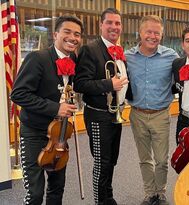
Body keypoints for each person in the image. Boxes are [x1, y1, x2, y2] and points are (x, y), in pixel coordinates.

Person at [10, 15, 83, 205]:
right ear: (55, 34)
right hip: (34, 133)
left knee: (57, 189)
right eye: (67, 32)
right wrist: (56, 108)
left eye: (77, 34)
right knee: (34, 194)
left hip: (59, 136)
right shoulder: (37, 58)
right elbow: (18, 94)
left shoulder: (73, 59)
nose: (72, 37)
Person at [73, 8, 129, 205]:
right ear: (101, 25)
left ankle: (108, 196)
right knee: (101, 162)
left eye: (117, 23)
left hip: (116, 114)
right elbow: (80, 84)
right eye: (110, 23)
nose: (114, 27)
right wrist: (109, 84)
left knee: (112, 160)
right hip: (98, 115)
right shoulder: (90, 49)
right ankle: (99, 201)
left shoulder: (119, 52)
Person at [125, 15, 179, 205]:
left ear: (161, 35)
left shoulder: (171, 56)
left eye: (157, 33)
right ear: (140, 33)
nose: (152, 36)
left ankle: (161, 192)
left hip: (161, 115)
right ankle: (150, 193)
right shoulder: (127, 56)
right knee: (144, 158)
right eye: (148, 31)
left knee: (162, 160)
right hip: (137, 114)